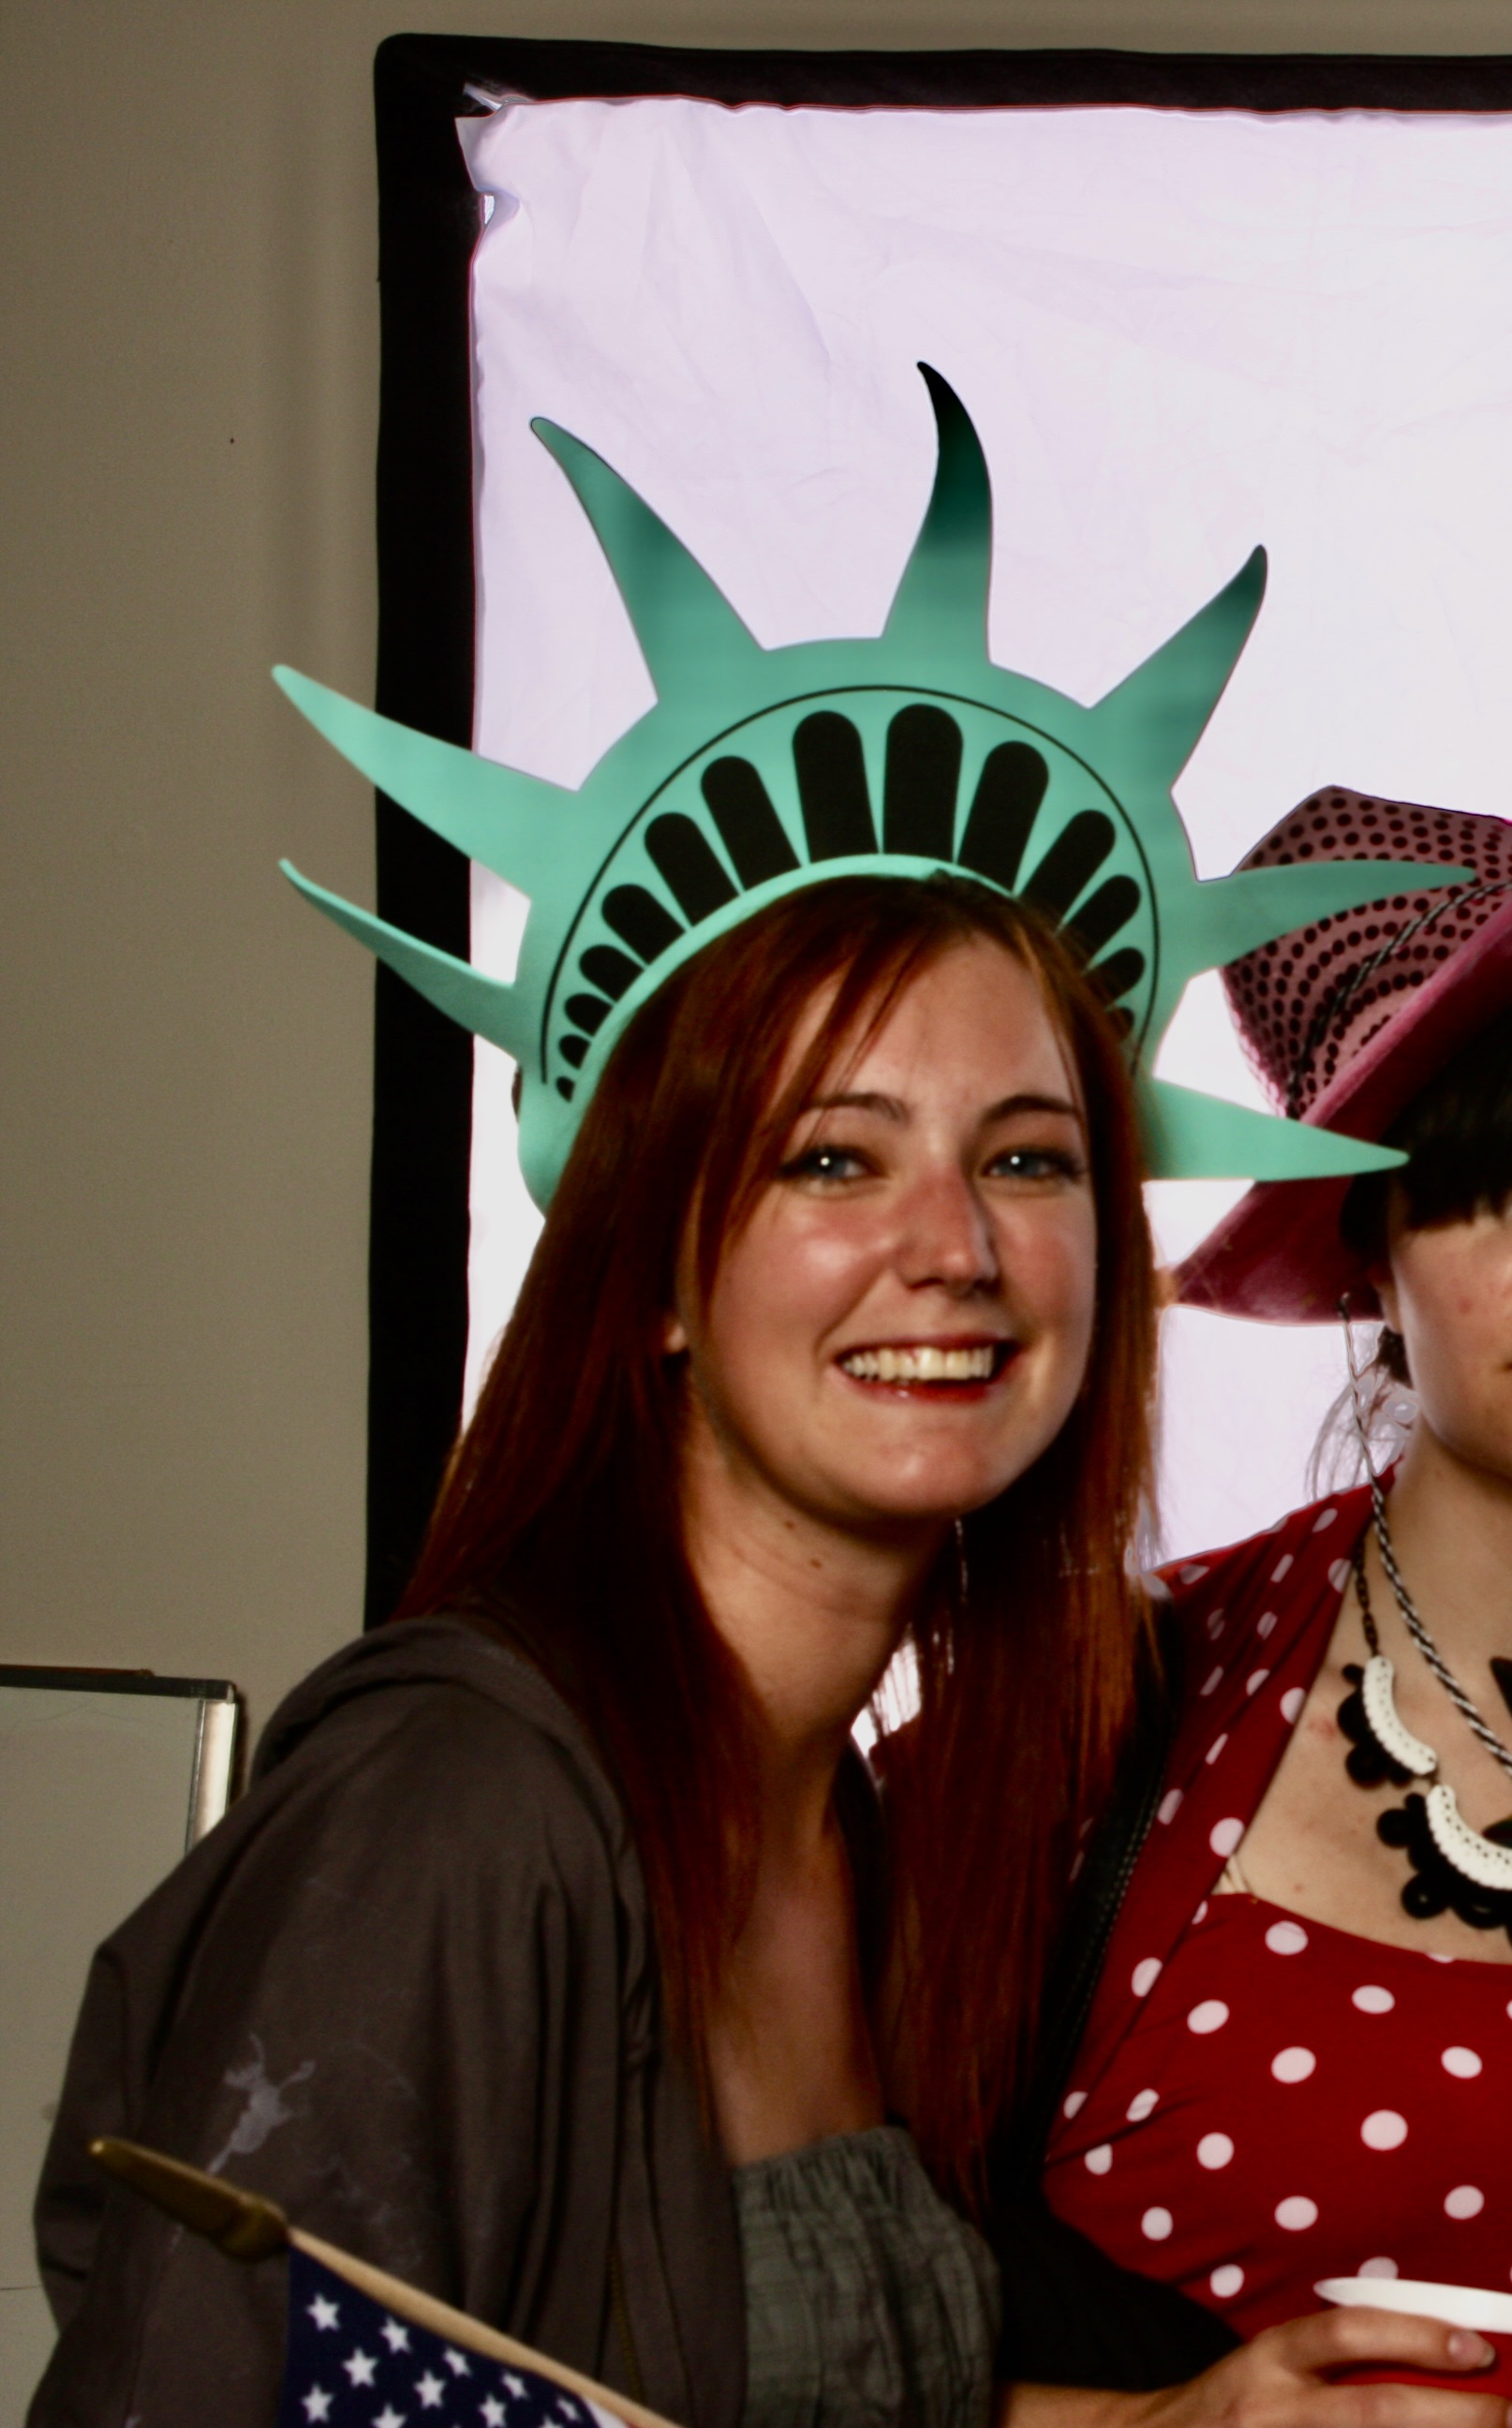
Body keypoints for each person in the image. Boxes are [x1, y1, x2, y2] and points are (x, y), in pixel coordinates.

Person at [28, 379, 1409, 2428]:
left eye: (1027, 1160)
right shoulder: (460, 1819)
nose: (953, 1245)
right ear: (661, 1268)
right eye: (832, 1159)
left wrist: (1186, 2426)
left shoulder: (836, 1821)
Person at [1004, 787, 1512, 2428]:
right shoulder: (1088, 1724)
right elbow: (728, 2339)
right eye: (1491, 1176)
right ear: (1363, 1243)